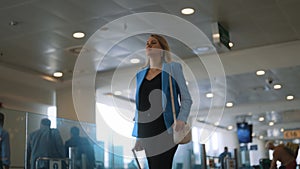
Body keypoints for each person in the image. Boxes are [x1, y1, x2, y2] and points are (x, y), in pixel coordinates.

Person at [132, 34, 193, 169]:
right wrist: (139, 136)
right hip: (147, 130)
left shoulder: (173, 68)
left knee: (162, 165)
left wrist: (181, 119)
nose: (148, 45)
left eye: (153, 43)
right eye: (147, 43)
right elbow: (140, 107)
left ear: (162, 49)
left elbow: (186, 98)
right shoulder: (140, 74)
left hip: (167, 128)